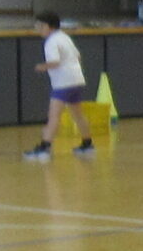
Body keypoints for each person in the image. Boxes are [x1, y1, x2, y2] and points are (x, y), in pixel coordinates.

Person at [24, 14, 96, 162]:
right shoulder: (65, 37)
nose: (38, 29)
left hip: (63, 83)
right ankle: (87, 143)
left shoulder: (51, 42)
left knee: (54, 116)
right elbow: (78, 56)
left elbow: (54, 61)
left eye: (40, 26)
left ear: (49, 27)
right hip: (76, 80)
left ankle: (45, 147)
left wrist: (42, 67)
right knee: (77, 114)